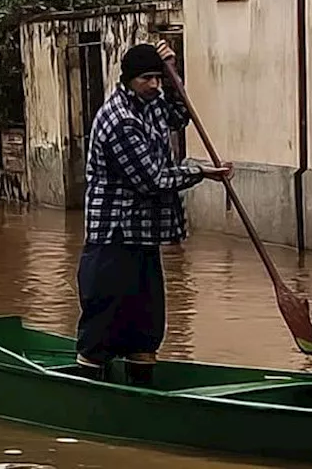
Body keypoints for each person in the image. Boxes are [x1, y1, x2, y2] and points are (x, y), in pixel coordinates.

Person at [75, 40, 232, 385]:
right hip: (113, 237)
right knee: (102, 325)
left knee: (146, 327)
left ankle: (142, 389)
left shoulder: (154, 103)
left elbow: (181, 113)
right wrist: (201, 172)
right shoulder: (120, 120)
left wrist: (175, 73)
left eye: (157, 78)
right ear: (129, 79)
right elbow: (152, 180)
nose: (154, 85)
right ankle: (90, 389)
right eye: (147, 78)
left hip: (145, 235)